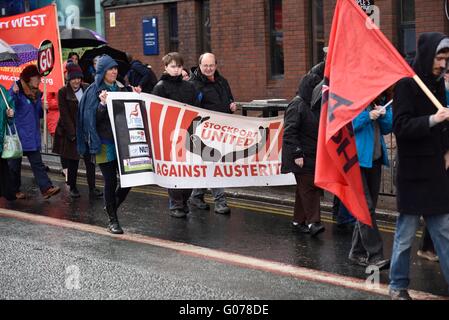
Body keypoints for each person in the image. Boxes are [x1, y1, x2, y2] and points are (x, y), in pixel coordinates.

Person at [389, 32, 449, 300]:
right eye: (439, 58)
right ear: (426, 54)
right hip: (413, 174)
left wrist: (448, 149)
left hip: (435, 171)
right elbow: (400, 127)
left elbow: (444, 124)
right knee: (405, 236)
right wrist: (432, 121)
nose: (443, 64)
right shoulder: (405, 84)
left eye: (446, 59)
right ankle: (397, 286)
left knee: (445, 233)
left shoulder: (437, 83)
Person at [77, 55, 139, 234]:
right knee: (110, 181)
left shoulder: (122, 88)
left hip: (123, 142)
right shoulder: (93, 91)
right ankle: (113, 220)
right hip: (104, 143)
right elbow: (90, 120)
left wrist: (136, 96)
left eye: (115, 69)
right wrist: (102, 105)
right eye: (110, 69)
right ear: (102, 71)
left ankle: (111, 205)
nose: (114, 71)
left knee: (130, 180)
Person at [348, 92, 392, 270]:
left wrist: (383, 113)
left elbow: (389, 127)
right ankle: (375, 255)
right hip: (356, 161)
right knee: (366, 207)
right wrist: (367, 116)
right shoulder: (351, 99)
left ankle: (357, 252)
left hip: (374, 159)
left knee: (367, 207)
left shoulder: (375, 100)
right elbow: (346, 126)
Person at [188, 52, 236, 215]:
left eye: (211, 65)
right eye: (205, 65)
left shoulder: (223, 81)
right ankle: (220, 201)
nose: (208, 69)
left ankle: (196, 195)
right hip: (204, 132)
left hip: (222, 130)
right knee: (214, 162)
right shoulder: (193, 85)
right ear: (200, 66)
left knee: (209, 164)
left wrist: (231, 105)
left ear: (215, 65)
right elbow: (192, 108)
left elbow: (229, 99)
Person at [152, 52, 197, 218]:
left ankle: (184, 201)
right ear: (165, 67)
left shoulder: (190, 87)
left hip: (189, 133)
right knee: (174, 171)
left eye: (178, 66)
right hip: (169, 135)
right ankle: (176, 204)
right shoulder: (160, 87)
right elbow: (155, 112)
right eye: (172, 66)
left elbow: (196, 109)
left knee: (189, 170)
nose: (176, 70)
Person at [281, 73, 325, 236]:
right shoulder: (297, 105)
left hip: (311, 154)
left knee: (303, 190)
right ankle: (314, 222)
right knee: (310, 187)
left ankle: (298, 221)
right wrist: (297, 154)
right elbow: (289, 132)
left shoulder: (313, 104)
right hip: (300, 156)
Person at [8, 65, 60, 200]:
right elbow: (8, 106)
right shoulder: (17, 90)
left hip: (32, 136)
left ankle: (46, 188)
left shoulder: (36, 94)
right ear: (29, 78)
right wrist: (13, 94)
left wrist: (44, 108)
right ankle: (13, 190)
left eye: (39, 77)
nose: (39, 80)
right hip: (18, 136)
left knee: (38, 164)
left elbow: (37, 115)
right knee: (14, 166)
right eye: (36, 77)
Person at [53, 62, 102, 199]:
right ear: (69, 78)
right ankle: (73, 187)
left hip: (87, 130)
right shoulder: (63, 92)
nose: (77, 81)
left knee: (90, 161)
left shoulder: (87, 87)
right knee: (73, 161)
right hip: (72, 131)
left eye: (79, 78)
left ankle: (92, 188)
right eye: (74, 78)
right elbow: (64, 115)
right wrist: (73, 134)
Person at [0, 84, 16, 201]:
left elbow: (10, 111)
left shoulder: (2, 91)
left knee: (3, 165)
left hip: (1, 136)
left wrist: (10, 114)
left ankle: (8, 193)